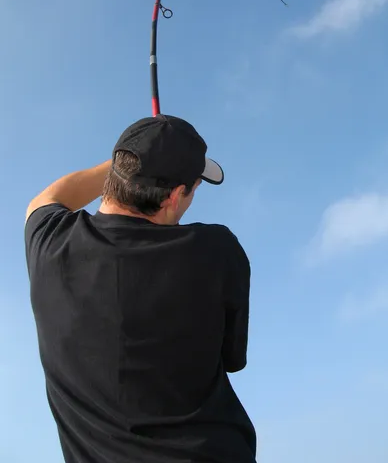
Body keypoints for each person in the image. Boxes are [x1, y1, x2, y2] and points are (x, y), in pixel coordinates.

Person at [25, 114, 257, 463]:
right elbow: (231, 359)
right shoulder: (219, 250)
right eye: (194, 188)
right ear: (175, 195)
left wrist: (131, 160)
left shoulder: (49, 246)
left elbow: (48, 197)